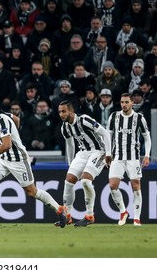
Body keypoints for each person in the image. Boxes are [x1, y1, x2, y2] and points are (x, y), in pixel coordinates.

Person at [0, 94, 68, 228]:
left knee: (32, 192)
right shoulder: (1, 115)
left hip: (18, 159)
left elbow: (7, 145)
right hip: (4, 158)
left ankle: (60, 209)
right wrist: (14, 134)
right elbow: (16, 119)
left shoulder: (2, 120)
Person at [56, 100, 112, 227]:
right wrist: (70, 164)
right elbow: (70, 145)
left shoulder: (84, 120)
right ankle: (67, 215)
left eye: (63, 111)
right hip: (82, 153)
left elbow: (105, 133)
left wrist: (108, 153)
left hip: (98, 151)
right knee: (68, 181)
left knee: (85, 181)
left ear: (71, 111)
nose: (61, 114)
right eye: (59, 112)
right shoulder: (65, 127)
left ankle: (89, 215)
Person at [107, 93, 151, 226]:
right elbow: (108, 136)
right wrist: (108, 153)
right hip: (117, 157)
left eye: (126, 102)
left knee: (136, 187)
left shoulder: (139, 118)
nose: (124, 105)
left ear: (132, 103)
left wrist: (147, 155)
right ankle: (123, 211)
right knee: (112, 186)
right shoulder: (114, 116)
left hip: (133, 158)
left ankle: (136, 218)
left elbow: (147, 137)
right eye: (122, 102)